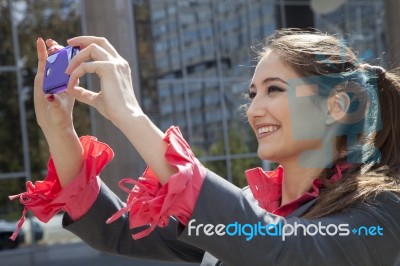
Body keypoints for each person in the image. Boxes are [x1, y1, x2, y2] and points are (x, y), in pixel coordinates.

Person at [9, 29, 400, 265]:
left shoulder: (381, 211)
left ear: (337, 105)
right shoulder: (250, 202)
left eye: (275, 90)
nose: (255, 109)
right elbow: (119, 232)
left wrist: (130, 115)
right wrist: (58, 127)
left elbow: (277, 251)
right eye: (253, 93)